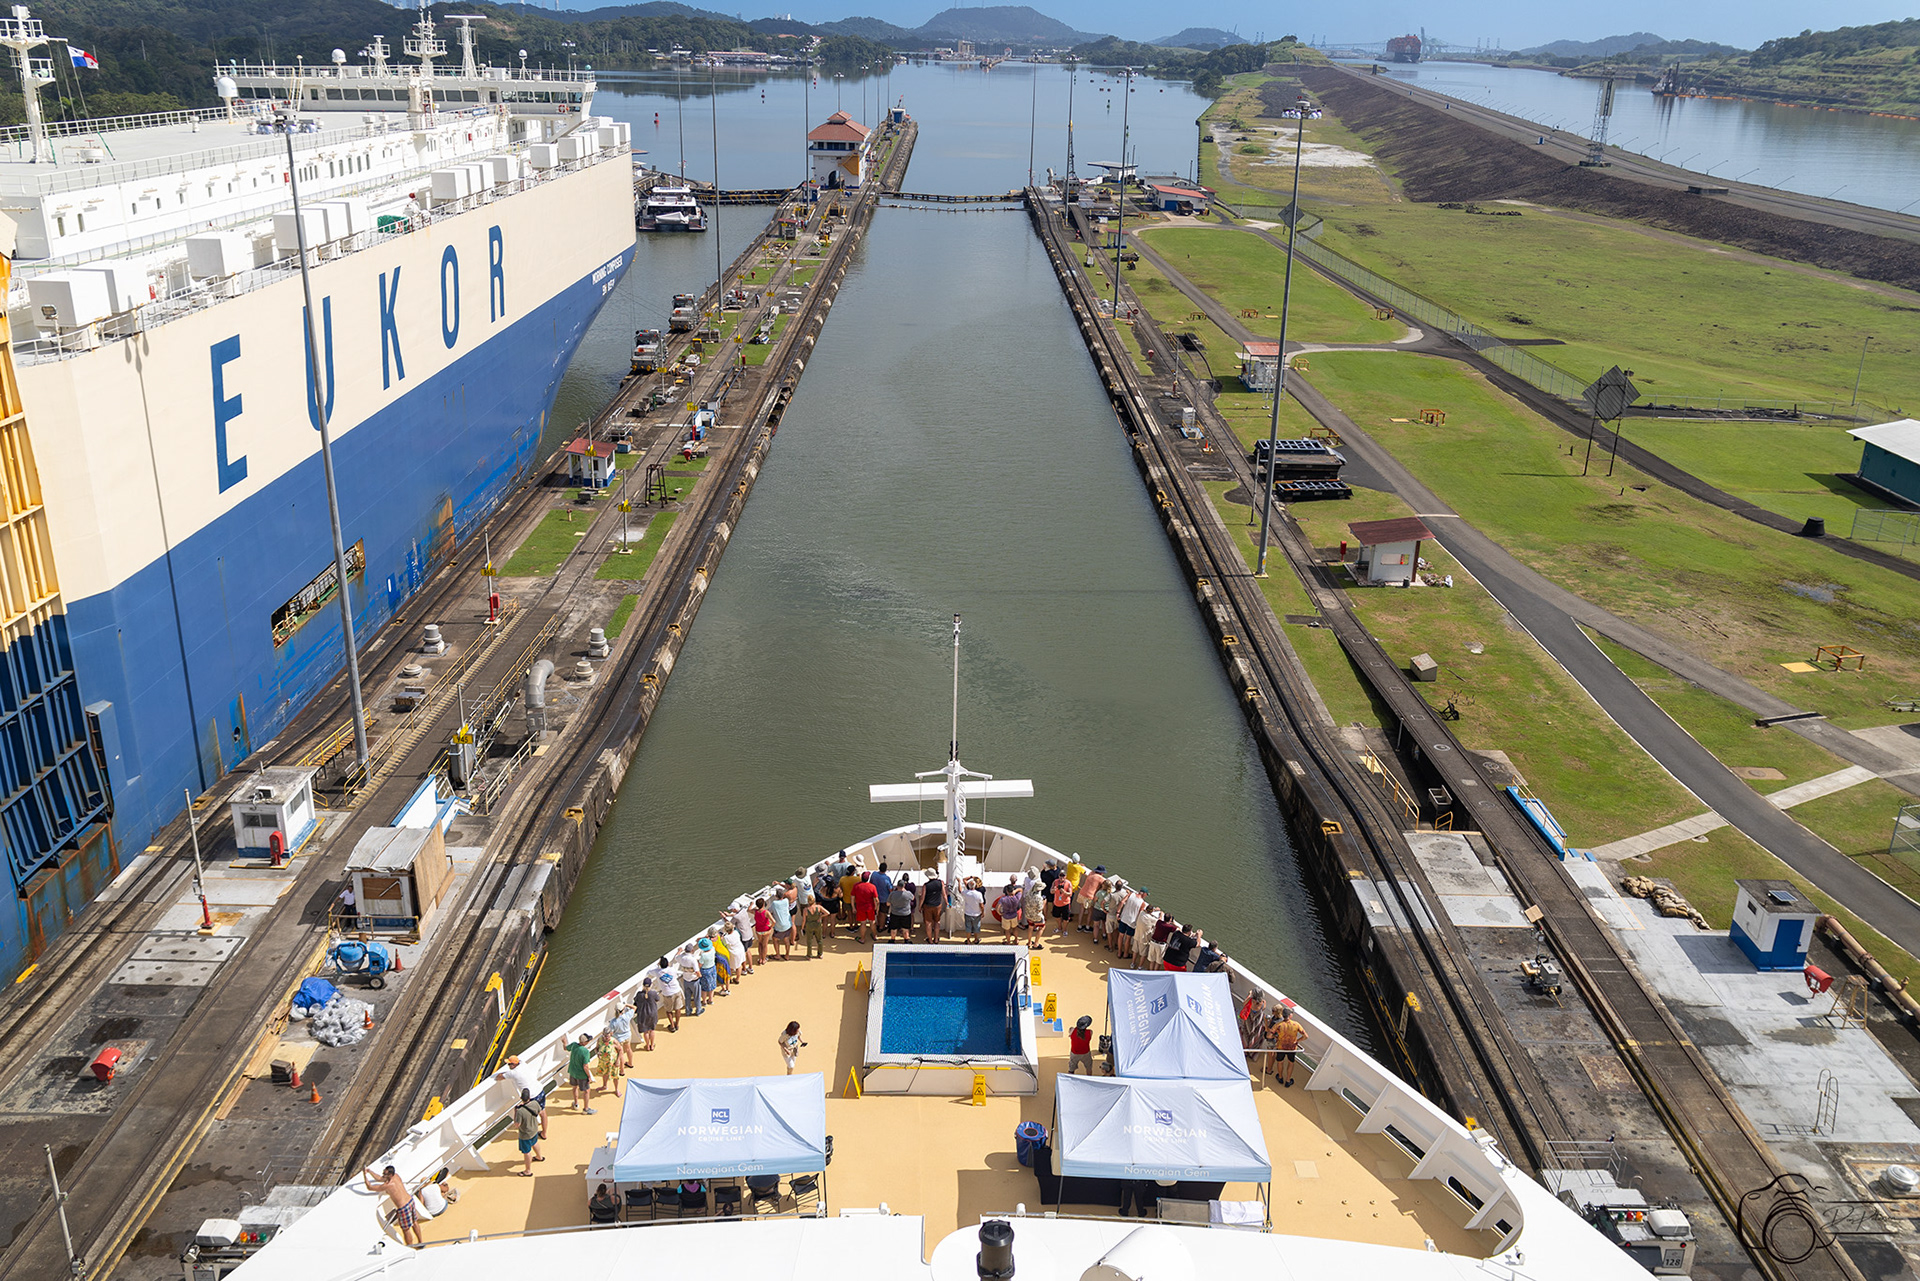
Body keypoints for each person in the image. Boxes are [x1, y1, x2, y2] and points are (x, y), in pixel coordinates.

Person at [363, 1165, 422, 1246]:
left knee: (406, 1229)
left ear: (390, 1175)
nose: (383, 1175)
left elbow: (370, 1187)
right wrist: (369, 1171)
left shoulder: (387, 1185)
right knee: (414, 1222)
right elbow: (379, 1178)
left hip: (403, 1207)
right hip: (410, 1201)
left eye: (385, 1174)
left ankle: (410, 1246)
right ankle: (421, 1242)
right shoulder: (396, 1176)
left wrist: (364, 1175)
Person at [511, 1088, 544, 1175]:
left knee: (527, 1152)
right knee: (535, 1143)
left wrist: (515, 1112)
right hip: (534, 1130)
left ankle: (528, 1171)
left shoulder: (520, 1111)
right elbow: (540, 1112)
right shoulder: (535, 1103)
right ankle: (539, 1157)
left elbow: (517, 1124)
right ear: (529, 1097)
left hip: (525, 1134)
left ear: (521, 1098)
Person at [567, 1032, 597, 1113]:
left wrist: (564, 1042)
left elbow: (566, 1048)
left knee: (574, 1087)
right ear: (584, 1042)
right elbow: (585, 1066)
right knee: (586, 1091)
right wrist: (589, 1076)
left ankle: (576, 1104)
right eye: (588, 1041)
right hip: (581, 1075)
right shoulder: (585, 1051)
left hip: (572, 1072)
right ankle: (586, 1109)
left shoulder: (573, 1045)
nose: (589, 1041)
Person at [1115, 885, 1144, 961]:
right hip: (1132, 922)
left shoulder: (1131, 894)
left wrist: (1118, 912)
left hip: (1124, 918)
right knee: (1128, 938)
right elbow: (1140, 914)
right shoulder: (1142, 903)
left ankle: (1119, 953)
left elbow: (1122, 902)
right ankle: (1125, 954)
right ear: (1144, 894)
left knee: (1121, 936)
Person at [606, 998, 635, 1071]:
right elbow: (634, 1007)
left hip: (619, 1039)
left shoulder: (613, 1021)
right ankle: (630, 1063)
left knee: (620, 1053)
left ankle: (622, 1070)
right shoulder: (627, 1016)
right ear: (623, 1009)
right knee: (628, 1049)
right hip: (627, 1036)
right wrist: (626, 1005)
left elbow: (611, 1032)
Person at [1074, 865, 1106, 932]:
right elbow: (1106, 884)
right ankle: (1087, 927)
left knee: (1081, 910)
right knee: (1090, 912)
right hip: (1090, 896)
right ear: (1102, 872)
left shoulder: (1091, 873)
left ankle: (1079, 926)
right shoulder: (1101, 878)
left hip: (1082, 893)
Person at [676, 945, 703, 1017]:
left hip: (686, 980)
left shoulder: (682, 958)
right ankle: (698, 1010)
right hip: (694, 980)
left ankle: (688, 1011)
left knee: (687, 997)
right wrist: (700, 976)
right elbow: (697, 971)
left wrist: (679, 951)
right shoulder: (693, 959)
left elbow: (676, 957)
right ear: (692, 951)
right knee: (697, 996)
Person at [852, 872, 880, 943]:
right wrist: (877, 908)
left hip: (860, 908)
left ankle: (862, 939)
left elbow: (852, 897)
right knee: (872, 922)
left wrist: (853, 907)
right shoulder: (872, 886)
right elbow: (876, 900)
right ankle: (875, 936)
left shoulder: (856, 886)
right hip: (870, 908)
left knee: (863, 923)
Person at [768, 887, 795, 960]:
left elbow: (769, 911)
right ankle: (787, 955)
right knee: (786, 940)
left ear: (776, 896)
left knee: (775, 939)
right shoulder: (786, 901)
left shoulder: (774, 903)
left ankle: (777, 955)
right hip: (788, 924)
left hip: (779, 926)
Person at [887, 874, 914, 943]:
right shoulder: (908, 893)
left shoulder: (892, 894)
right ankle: (906, 940)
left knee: (893, 928)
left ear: (897, 885)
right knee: (905, 928)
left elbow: (888, 904)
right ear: (904, 885)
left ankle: (892, 940)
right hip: (905, 914)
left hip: (895, 913)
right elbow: (913, 898)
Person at [636, 976, 662, 1050]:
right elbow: (658, 999)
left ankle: (647, 1046)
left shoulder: (639, 994)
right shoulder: (653, 993)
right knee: (652, 1030)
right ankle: (652, 1045)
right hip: (652, 1014)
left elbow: (636, 1001)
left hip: (643, 1015)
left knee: (646, 1031)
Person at [1022, 876, 1047, 948]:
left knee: (1030, 927)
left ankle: (1029, 942)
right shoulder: (1039, 898)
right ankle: (1036, 943)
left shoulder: (1028, 894)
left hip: (1029, 915)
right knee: (1041, 928)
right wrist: (1044, 902)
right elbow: (1040, 909)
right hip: (1037, 916)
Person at [1049, 871, 1075, 939]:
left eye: (1063, 876)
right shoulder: (1055, 882)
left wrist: (1064, 892)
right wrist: (1054, 890)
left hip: (1065, 904)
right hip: (1056, 903)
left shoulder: (1068, 883)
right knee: (1056, 916)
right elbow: (1051, 891)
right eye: (1060, 876)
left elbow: (1070, 894)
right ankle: (1059, 927)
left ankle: (1065, 930)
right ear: (1058, 876)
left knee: (1066, 919)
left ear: (1065, 876)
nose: (1061, 877)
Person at [921, 873, 946, 942]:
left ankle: (930, 940)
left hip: (928, 906)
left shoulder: (926, 885)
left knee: (928, 923)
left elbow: (922, 897)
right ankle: (936, 939)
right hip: (937, 905)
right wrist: (947, 902)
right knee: (937, 922)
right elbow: (944, 894)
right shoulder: (941, 883)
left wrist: (920, 906)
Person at [698, 931, 722, 998]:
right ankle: (710, 999)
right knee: (712, 985)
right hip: (712, 968)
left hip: (705, 971)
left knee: (704, 988)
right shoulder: (713, 949)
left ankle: (704, 1001)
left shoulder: (703, 955)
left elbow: (700, 965)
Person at [960, 878, 985, 943]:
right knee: (976, 927)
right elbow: (981, 905)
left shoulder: (966, 893)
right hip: (977, 913)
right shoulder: (979, 894)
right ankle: (976, 939)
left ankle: (968, 940)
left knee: (968, 927)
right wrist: (983, 912)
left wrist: (959, 882)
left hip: (968, 913)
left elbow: (960, 890)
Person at [752, 897, 775, 965]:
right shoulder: (766, 912)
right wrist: (771, 926)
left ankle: (760, 958)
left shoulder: (755, 911)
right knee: (765, 945)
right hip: (766, 930)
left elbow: (749, 909)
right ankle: (764, 959)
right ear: (763, 904)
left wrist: (751, 905)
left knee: (760, 943)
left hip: (758, 930)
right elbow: (774, 921)